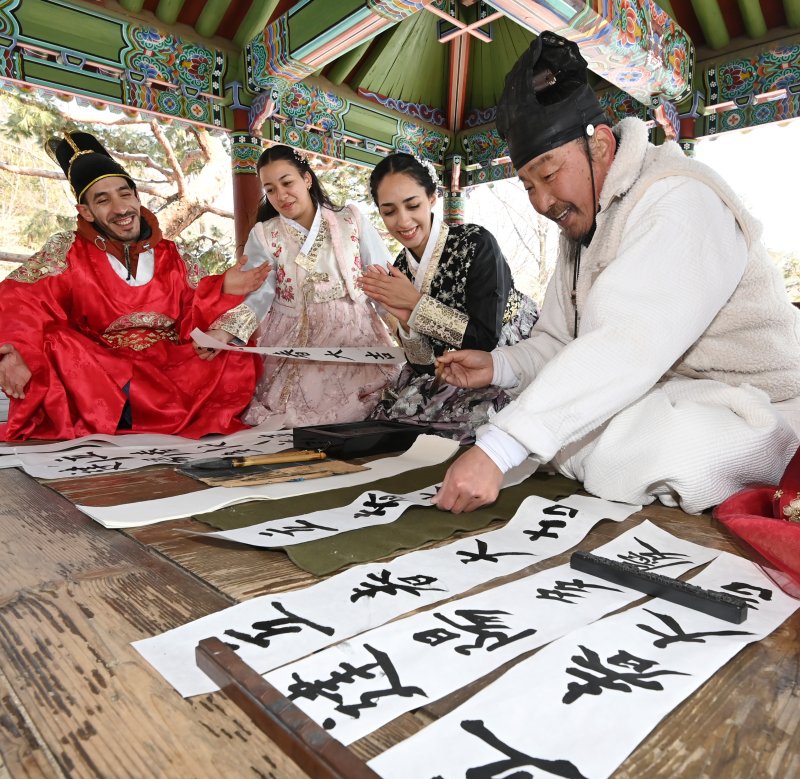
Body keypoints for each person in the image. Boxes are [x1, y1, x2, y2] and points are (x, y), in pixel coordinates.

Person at [432, 31, 800, 514]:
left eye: (548, 174)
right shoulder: (582, 230)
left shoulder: (680, 199)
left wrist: (501, 448)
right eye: (526, 186)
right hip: (662, 393)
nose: (541, 202)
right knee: (574, 434)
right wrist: (499, 365)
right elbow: (562, 342)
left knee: (660, 448)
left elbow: (627, 342)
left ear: (601, 146)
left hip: (760, 407)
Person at [0, 131, 270, 441]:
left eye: (124, 194)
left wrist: (224, 288)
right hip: (103, 371)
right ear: (85, 212)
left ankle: (137, 418)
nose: (120, 208)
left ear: (137, 197)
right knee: (55, 342)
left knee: (232, 351)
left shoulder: (172, 254)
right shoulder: (67, 252)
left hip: (171, 367)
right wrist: (9, 353)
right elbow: (17, 300)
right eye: (103, 200)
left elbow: (198, 306)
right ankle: (124, 415)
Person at [359, 152, 538, 441]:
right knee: (396, 417)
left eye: (412, 205)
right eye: (389, 211)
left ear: (432, 198)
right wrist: (406, 322)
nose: (403, 221)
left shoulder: (476, 243)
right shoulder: (401, 268)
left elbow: (485, 338)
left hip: (503, 352)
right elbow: (424, 364)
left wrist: (416, 305)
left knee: (478, 424)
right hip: (449, 365)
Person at [239, 145, 398, 428]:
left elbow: (381, 279)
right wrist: (229, 333)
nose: (281, 195)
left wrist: (401, 325)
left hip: (354, 334)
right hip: (294, 336)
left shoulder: (351, 220)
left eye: (287, 183)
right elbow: (258, 294)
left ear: (307, 179)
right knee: (293, 416)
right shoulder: (265, 234)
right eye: (271, 189)